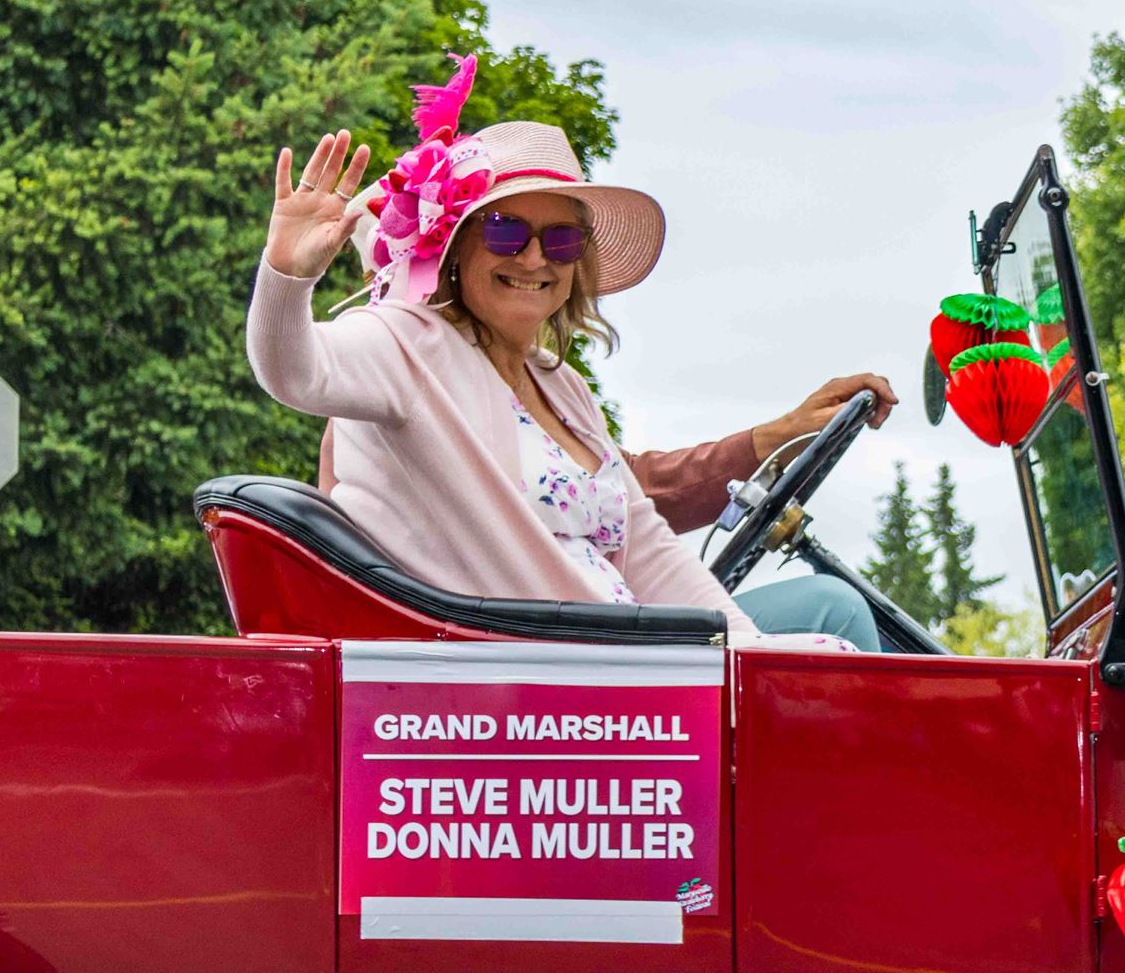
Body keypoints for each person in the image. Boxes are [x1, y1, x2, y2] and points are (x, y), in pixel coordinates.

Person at [247, 61, 889, 648]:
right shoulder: (404, 343)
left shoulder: (561, 386)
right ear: (457, 247)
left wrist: (748, 654)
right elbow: (294, 371)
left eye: (559, 240)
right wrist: (286, 276)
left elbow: (646, 546)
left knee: (826, 631)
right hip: (531, 679)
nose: (533, 258)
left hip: (614, 654)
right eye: (505, 231)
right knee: (833, 626)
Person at [314, 373, 896, 643]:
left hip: (603, 629)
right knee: (832, 610)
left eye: (559, 243)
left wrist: (775, 437)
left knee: (823, 611)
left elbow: (622, 498)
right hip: (547, 653)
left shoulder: (536, 387)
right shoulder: (414, 404)